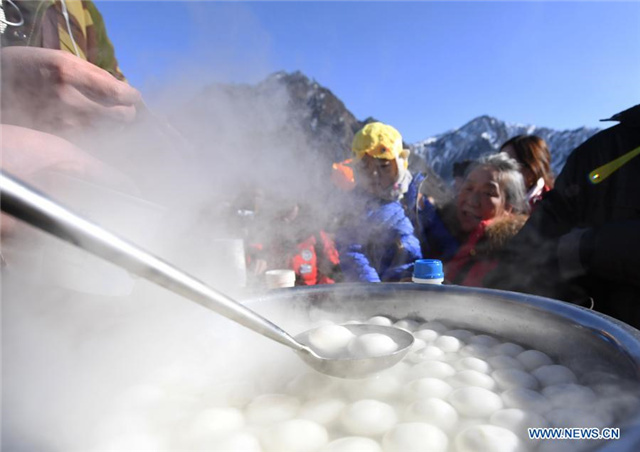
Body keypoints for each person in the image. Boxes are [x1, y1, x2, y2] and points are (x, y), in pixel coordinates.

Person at [486, 104, 640, 328]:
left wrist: (586, 247)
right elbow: (546, 225)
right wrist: (495, 293)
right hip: (581, 337)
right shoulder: (603, 150)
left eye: (510, 166)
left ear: (531, 171)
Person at [335, 122, 422, 282]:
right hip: (385, 290)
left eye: (383, 166)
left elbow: (437, 235)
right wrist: (374, 289)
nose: (373, 174)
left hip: (415, 282)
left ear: (399, 166)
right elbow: (351, 252)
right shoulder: (354, 208)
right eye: (364, 167)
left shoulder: (413, 195)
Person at [439, 153, 529, 286]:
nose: (472, 201)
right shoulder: (435, 232)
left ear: (509, 207)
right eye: (469, 188)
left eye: (488, 193)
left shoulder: (515, 255)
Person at [244, 191, 340, 286]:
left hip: (309, 294)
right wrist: (258, 257)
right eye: (282, 206)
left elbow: (330, 270)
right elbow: (253, 251)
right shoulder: (266, 232)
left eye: (289, 206)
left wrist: (325, 295)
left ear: (297, 206)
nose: (286, 214)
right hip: (277, 293)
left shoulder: (315, 235)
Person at [500, 135, 554, 208]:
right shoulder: (491, 200)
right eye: (498, 162)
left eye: (508, 164)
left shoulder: (553, 206)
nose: (499, 170)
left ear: (532, 168)